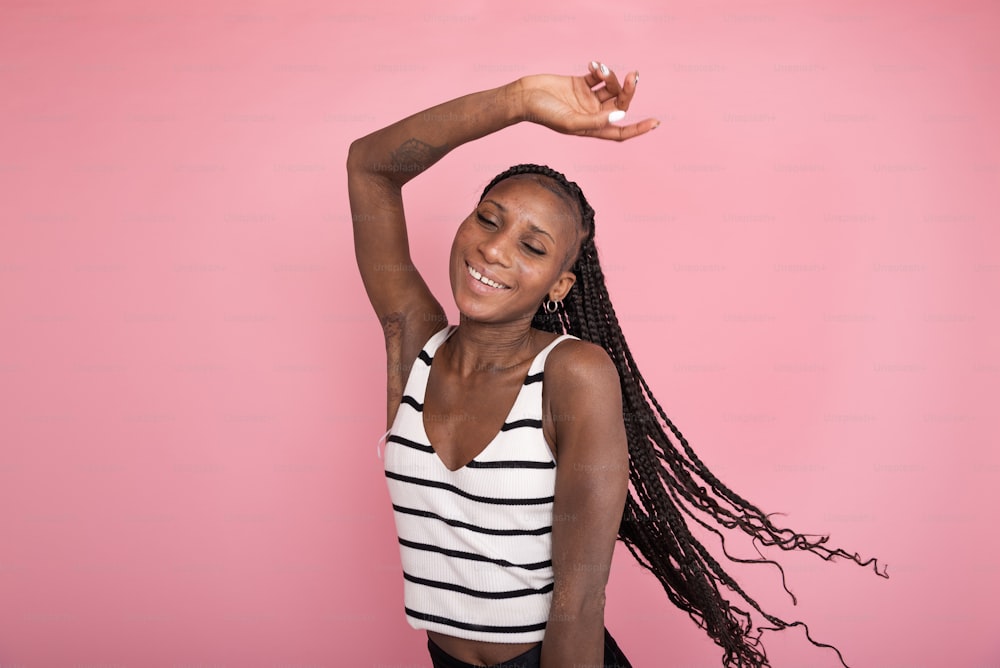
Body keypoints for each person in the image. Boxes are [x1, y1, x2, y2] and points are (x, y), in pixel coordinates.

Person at [347, 61, 886, 668]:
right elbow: (370, 166)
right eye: (488, 219)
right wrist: (520, 99)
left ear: (560, 285)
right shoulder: (413, 344)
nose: (494, 249)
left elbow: (578, 604)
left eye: (533, 246)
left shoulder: (572, 375)